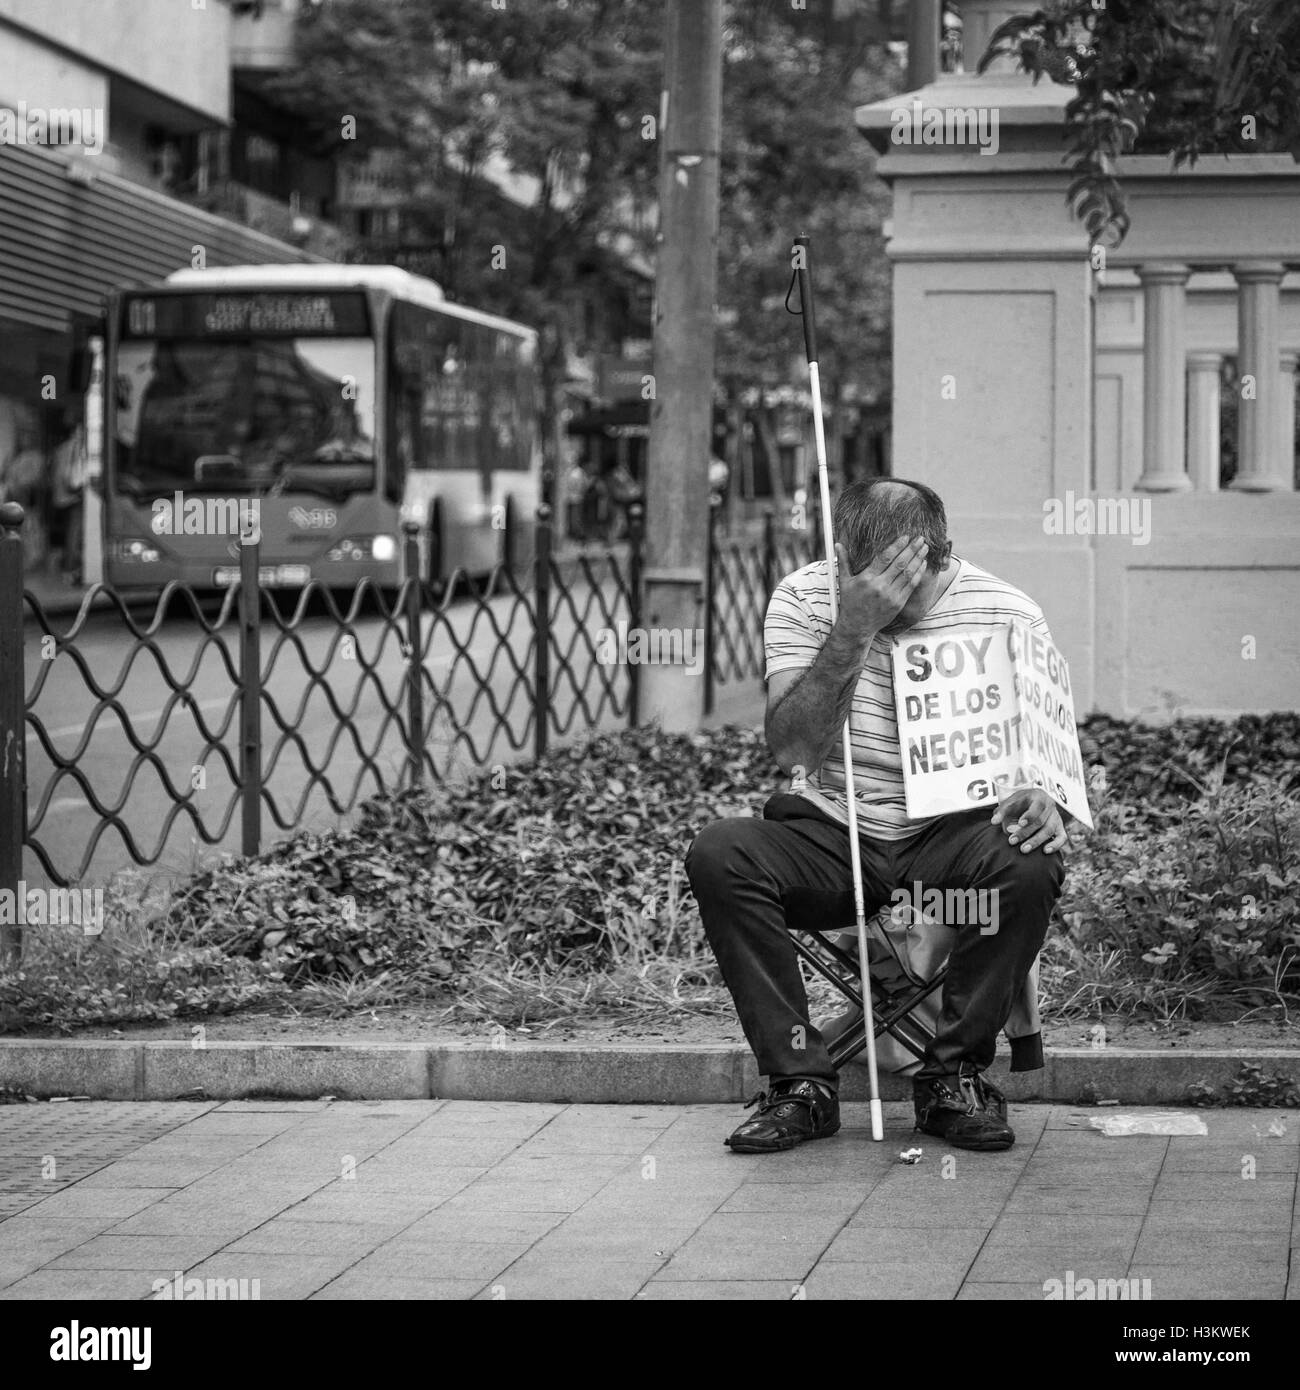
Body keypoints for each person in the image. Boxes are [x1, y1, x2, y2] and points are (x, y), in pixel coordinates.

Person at [686, 478, 1068, 1154]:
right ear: (843, 564)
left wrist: (1046, 797)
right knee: (720, 852)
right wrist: (852, 631)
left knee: (1029, 860)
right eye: (877, 589)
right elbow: (795, 751)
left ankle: (954, 1078)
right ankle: (799, 1084)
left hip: (950, 843)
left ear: (944, 558)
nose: (895, 607)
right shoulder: (804, 599)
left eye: (908, 589)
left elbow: (1042, 762)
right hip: (834, 834)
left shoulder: (1008, 611)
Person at [51, 415, 88, 584]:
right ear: (76, 431)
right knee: (74, 533)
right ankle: (70, 568)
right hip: (73, 496)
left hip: (60, 497)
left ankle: (68, 566)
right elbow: (76, 475)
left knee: (69, 531)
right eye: (81, 429)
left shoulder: (59, 449)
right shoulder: (76, 447)